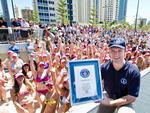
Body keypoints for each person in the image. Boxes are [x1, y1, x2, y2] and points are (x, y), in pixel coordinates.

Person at [96, 38, 141, 113]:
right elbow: (95, 84)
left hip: (125, 101)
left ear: (125, 52)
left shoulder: (133, 71)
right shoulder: (103, 68)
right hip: (109, 96)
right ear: (109, 52)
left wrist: (111, 103)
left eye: (119, 51)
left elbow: (132, 97)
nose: (116, 54)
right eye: (113, 51)